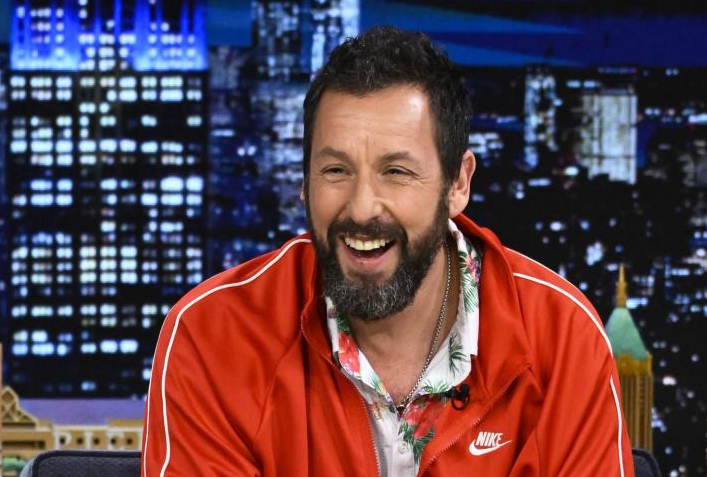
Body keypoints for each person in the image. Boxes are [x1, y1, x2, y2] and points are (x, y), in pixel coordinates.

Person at [141, 26, 634, 476]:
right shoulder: (214, 336)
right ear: (304, 181)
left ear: (458, 184)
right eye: (335, 170)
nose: (361, 207)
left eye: (396, 172)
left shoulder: (561, 338)